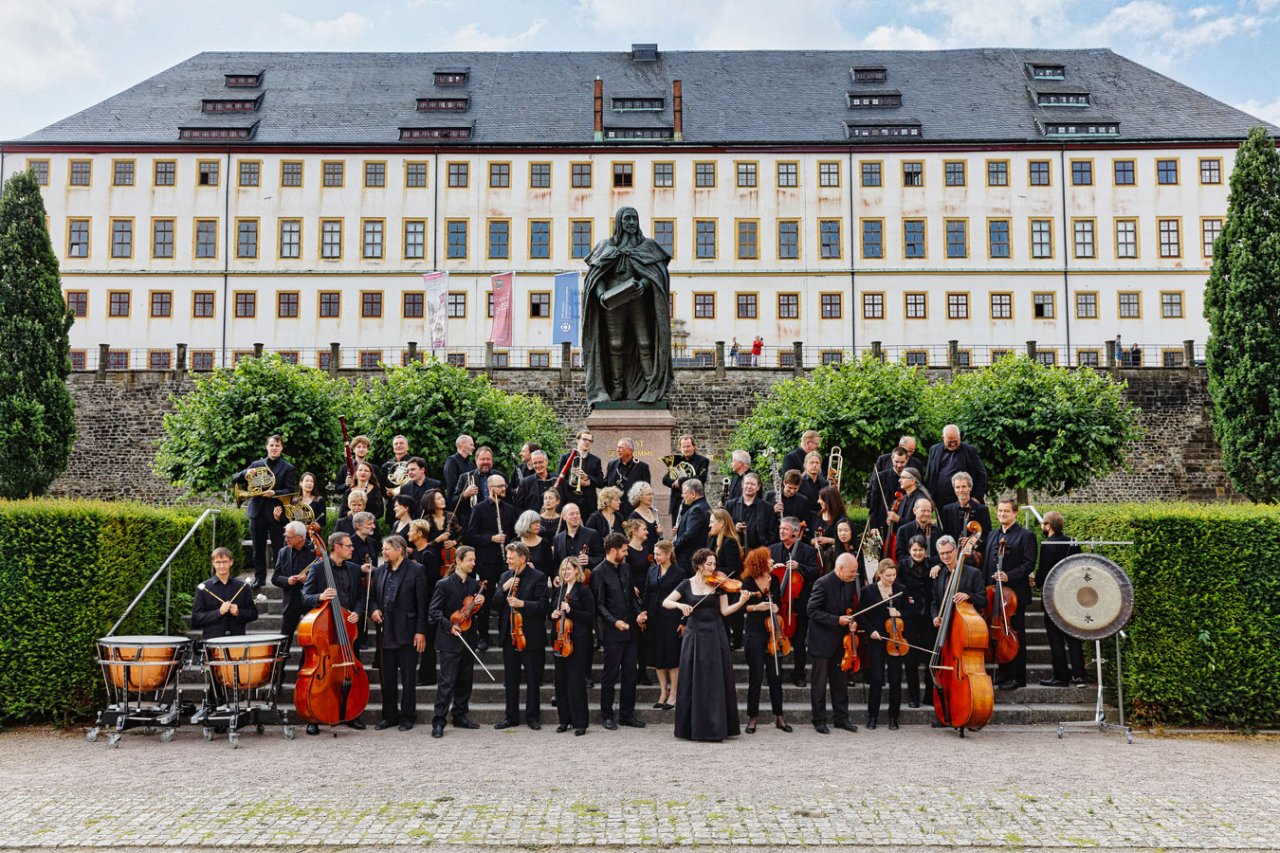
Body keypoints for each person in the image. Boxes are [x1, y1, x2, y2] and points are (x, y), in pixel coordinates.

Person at [581, 206, 674, 405]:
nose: (631, 223)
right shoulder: (606, 246)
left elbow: (656, 273)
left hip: (637, 299)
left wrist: (644, 283)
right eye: (627, 219)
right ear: (619, 222)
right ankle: (616, 387)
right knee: (615, 344)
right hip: (613, 301)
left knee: (645, 342)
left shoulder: (647, 246)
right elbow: (596, 276)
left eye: (634, 219)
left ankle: (651, 386)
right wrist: (601, 295)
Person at [664, 548, 749, 741]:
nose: (713, 568)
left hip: (715, 634)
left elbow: (725, 611)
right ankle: (691, 728)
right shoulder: (686, 585)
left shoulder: (718, 585)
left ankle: (717, 726)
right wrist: (680, 605)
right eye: (709, 564)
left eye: (714, 564)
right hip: (694, 636)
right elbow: (666, 602)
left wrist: (742, 601)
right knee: (692, 680)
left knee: (715, 680)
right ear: (699, 565)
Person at [300, 531, 369, 734]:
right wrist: (319, 596)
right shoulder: (318, 568)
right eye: (348, 546)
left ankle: (351, 713)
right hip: (324, 629)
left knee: (349, 668)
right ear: (336, 547)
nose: (352, 548)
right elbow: (304, 597)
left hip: (348, 629)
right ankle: (314, 716)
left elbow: (360, 596)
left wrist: (357, 612)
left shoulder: (355, 569)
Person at [369, 535, 428, 731]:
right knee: (387, 679)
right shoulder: (379, 571)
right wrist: (374, 609)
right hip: (385, 632)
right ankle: (389, 716)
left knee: (409, 677)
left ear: (400, 550)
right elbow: (373, 598)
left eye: (387, 549)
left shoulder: (416, 570)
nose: (383, 553)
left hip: (408, 631)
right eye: (383, 549)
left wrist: (421, 631)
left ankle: (407, 716)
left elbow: (422, 604)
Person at [427, 545, 484, 737]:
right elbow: (433, 612)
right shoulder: (443, 584)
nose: (473, 563)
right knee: (447, 682)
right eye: (470, 560)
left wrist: (480, 605)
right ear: (458, 561)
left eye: (474, 560)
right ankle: (439, 721)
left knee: (465, 681)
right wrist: (449, 625)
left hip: (468, 637)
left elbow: (473, 612)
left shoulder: (474, 586)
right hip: (449, 640)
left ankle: (460, 715)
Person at [592, 532, 647, 730]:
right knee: (610, 674)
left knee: (631, 674)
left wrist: (639, 613)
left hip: (630, 630)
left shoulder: (626, 568)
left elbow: (632, 597)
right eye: (624, 550)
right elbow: (599, 605)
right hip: (612, 632)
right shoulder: (598, 572)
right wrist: (614, 622)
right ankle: (607, 714)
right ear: (613, 550)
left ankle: (627, 714)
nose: (627, 553)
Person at [233, 434, 298, 590]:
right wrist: (246, 474)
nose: (274, 448)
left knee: (278, 547)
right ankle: (259, 579)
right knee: (258, 549)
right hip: (257, 511)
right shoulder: (257, 464)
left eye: (277, 445)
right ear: (267, 447)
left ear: (281, 448)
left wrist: (274, 493)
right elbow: (235, 478)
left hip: (276, 513)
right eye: (271, 445)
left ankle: (278, 578)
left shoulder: (288, 467)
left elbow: (290, 490)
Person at [494, 542, 548, 730]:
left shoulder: (538, 577)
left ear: (523, 558)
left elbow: (543, 606)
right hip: (510, 635)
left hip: (530, 635)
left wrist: (522, 603)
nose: (508, 560)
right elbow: (495, 604)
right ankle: (511, 716)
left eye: (511, 557)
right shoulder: (504, 576)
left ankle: (533, 717)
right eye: (507, 557)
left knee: (533, 678)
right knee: (511, 679)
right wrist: (503, 588)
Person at [806, 552, 861, 734]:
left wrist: (851, 621)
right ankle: (819, 720)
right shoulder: (822, 584)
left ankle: (841, 718)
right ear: (840, 568)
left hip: (840, 642)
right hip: (821, 642)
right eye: (852, 571)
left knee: (840, 683)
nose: (854, 575)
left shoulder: (849, 583)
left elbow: (848, 609)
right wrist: (837, 620)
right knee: (819, 684)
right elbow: (812, 610)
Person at [463, 473, 519, 650]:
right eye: (500, 486)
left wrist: (509, 542)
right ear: (490, 489)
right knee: (486, 600)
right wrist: (491, 538)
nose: (504, 489)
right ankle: (483, 636)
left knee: (506, 598)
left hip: (506, 561)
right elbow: (470, 535)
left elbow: (515, 534)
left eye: (504, 486)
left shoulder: (510, 509)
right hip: (486, 561)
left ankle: (505, 635)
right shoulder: (479, 509)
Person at [740, 546, 792, 734]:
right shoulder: (747, 582)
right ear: (760, 562)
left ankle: (779, 716)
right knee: (756, 676)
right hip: (754, 632)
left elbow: (777, 603)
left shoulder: (775, 580)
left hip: (774, 632)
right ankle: (752, 718)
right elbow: (742, 608)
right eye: (768, 559)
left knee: (776, 677)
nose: (772, 562)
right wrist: (758, 607)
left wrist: (774, 607)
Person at [989, 498, 1037, 690]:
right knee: (1000, 634)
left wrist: (1008, 576)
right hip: (996, 593)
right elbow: (987, 563)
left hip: (1015, 596)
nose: (1002, 514)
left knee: (1016, 635)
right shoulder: (993, 535)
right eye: (1000, 511)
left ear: (1015, 513)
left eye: (1006, 511)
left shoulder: (1026, 536)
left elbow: (1029, 564)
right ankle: (1003, 673)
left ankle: (1018, 677)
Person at [1037, 511, 1088, 687]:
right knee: (1073, 636)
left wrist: (1036, 582)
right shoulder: (1072, 542)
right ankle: (1079, 674)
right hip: (1072, 596)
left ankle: (1061, 676)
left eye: (1043, 524)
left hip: (1053, 597)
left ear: (1048, 526)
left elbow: (1044, 573)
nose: (1042, 527)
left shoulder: (1047, 545)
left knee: (1056, 638)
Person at [770, 516, 819, 687]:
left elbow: (815, 572)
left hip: (798, 605)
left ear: (796, 532)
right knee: (775, 638)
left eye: (785, 529)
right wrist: (771, 568)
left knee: (799, 643)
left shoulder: (808, 551)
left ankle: (799, 674)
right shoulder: (772, 550)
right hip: (777, 604)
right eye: (781, 528)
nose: (781, 531)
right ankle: (774, 673)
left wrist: (800, 567)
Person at [549, 558, 595, 735]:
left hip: (577, 640)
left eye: (568, 568)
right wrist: (552, 614)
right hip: (560, 640)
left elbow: (590, 616)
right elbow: (550, 614)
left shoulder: (584, 591)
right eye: (563, 569)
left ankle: (580, 722)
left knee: (576, 681)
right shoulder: (559, 590)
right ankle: (564, 720)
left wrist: (571, 610)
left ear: (577, 570)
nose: (565, 571)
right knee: (560, 682)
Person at [862, 559, 906, 730]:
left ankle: (894, 717)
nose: (892, 579)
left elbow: (911, 612)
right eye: (888, 575)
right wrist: (871, 630)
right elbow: (863, 615)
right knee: (877, 678)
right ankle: (872, 716)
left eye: (894, 575)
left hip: (896, 639)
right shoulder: (868, 591)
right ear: (879, 574)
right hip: (877, 639)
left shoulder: (901, 590)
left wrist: (900, 612)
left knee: (895, 679)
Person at [896, 535, 935, 709]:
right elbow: (896, 586)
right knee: (910, 659)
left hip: (928, 616)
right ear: (909, 551)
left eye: (920, 550)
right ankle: (914, 697)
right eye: (914, 550)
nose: (917, 553)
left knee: (930, 658)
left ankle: (929, 695)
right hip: (910, 617)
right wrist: (906, 598)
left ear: (925, 551)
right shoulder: (903, 565)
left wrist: (939, 567)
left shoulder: (933, 564)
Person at [644, 540, 683, 711]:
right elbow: (647, 592)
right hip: (654, 617)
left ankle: (674, 693)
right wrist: (643, 613)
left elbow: (685, 597)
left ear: (668, 554)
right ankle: (663, 692)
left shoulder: (679, 573)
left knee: (671, 656)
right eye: (655, 554)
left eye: (659, 554)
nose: (656, 557)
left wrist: (683, 621)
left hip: (672, 618)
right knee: (658, 657)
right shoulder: (652, 570)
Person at [191, 547, 259, 639]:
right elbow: (195, 620)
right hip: (213, 641)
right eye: (218, 562)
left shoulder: (243, 586)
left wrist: (238, 612)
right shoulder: (204, 588)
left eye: (225, 562)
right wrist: (218, 612)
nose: (222, 566)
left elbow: (253, 614)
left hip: (237, 639)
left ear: (231, 562)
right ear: (213, 563)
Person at [272, 521, 315, 656]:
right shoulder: (283, 552)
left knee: (310, 638)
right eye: (285, 536)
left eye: (289, 537)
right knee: (285, 638)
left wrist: (308, 579)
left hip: (310, 600)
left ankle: (307, 668)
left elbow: (326, 576)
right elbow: (275, 578)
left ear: (301, 538)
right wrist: (287, 580)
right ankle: (280, 673)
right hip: (291, 601)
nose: (285, 539)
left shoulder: (316, 550)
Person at [407, 518, 440, 685]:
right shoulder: (417, 552)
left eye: (411, 531)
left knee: (428, 643)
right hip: (419, 602)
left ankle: (427, 676)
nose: (408, 534)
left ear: (420, 534)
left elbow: (433, 582)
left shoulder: (429, 553)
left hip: (428, 603)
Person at [925, 425, 988, 511]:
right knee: (944, 524)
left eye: (955, 441)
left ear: (959, 436)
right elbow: (930, 475)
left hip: (965, 501)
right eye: (950, 441)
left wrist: (976, 497)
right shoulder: (934, 449)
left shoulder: (970, 451)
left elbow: (982, 474)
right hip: (941, 501)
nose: (953, 444)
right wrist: (929, 497)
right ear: (943, 438)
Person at [930, 535, 986, 628]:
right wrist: (935, 616)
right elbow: (935, 602)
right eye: (942, 553)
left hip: (967, 626)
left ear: (956, 551)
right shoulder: (939, 574)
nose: (945, 556)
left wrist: (968, 596)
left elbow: (983, 600)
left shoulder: (974, 573)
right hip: (945, 625)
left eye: (948, 552)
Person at [940, 471, 992, 570]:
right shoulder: (947, 510)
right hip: (953, 555)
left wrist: (973, 544)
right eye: (957, 487)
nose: (961, 490)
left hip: (973, 556)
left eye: (964, 486)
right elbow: (945, 534)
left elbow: (987, 534)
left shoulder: (981, 510)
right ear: (954, 489)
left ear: (970, 488)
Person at [708, 508, 745, 647]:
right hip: (717, 584)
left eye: (712, 522)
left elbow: (734, 568)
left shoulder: (729, 542)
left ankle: (733, 640)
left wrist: (714, 571)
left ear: (722, 523)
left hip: (729, 586)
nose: (709, 525)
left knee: (729, 616)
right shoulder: (712, 538)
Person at [557, 431, 605, 516]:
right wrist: (574, 483)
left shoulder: (596, 460)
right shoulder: (566, 458)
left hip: (589, 503)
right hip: (570, 500)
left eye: (590, 441)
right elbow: (560, 480)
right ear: (577, 440)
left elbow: (601, 482)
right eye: (584, 439)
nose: (587, 442)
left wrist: (588, 478)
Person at [662, 434, 709, 519]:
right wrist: (674, 483)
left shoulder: (703, 461)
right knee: (677, 531)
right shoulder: (676, 461)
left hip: (694, 502)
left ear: (694, 446)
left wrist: (680, 480)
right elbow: (665, 479)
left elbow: (701, 478)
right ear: (680, 448)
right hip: (677, 502)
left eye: (688, 446)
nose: (686, 449)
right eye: (683, 447)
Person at [726, 471, 775, 550]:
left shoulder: (767, 508)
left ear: (758, 487)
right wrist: (734, 529)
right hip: (736, 551)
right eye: (747, 483)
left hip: (759, 552)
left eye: (752, 484)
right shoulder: (730, 505)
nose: (749, 486)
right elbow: (724, 528)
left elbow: (772, 533)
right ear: (742, 485)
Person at [672, 479, 711, 575]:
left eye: (684, 493)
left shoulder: (696, 509)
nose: (682, 496)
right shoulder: (703, 506)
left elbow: (690, 535)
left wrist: (673, 545)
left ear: (693, 494)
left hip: (689, 560)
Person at [606, 438, 651, 518]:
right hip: (614, 510)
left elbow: (646, 489)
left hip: (633, 510)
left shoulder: (642, 467)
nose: (618, 450)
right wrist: (589, 479)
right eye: (617, 447)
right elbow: (605, 483)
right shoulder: (611, 465)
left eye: (621, 448)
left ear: (630, 451)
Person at [552, 503, 603, 573]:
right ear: (564, 517)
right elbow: (556, 563)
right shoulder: (557, 538)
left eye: (577, 513)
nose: (575, 516)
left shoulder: (592, 534)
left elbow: (601, 557)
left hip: (587, 579)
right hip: (566, 580)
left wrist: (589, 560)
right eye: (571, 514)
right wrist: (556, 576)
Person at [334, 433, 375, 511]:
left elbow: (376, 488)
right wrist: (346, 485)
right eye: (358, 447)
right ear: (353, 449)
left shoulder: (374, 468)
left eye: (364, 447)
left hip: (367, 507)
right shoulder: (344, 468)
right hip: (348, 508)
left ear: (367, 450)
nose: (361, 449)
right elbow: (337, 489)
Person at [894, 497, 940, 564]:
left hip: (932, 570)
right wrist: (917, 561)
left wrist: (937, 565)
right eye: (923, 511)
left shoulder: (936, 530)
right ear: (914, 510)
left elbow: (939, 554)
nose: (926, 514)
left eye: (929, 511)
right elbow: (900, 556)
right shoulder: (903, 530)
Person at [812, 485, 849, 564]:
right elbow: (808, 537)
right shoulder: (816, 516)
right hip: (815, 558)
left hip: (835, 558)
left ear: (828, 501)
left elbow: (848, 541)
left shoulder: (842, 520)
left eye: (820, 499)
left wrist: (828, 540)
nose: (818, 501)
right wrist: (814, 541)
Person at [626, 481, 662, 557]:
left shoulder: (653, 511)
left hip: (655, 552)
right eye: (648, 494)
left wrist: (659, 532)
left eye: (652, 494)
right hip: (642, 554)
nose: (651, 497)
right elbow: (631, 538)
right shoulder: (634, 516)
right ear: (639, 496)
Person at [515, 509, 555, 576]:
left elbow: (549, 569)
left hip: (538, 583)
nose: (538, 525)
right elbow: (508, 565)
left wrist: (534, 569)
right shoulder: (515, 542)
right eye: (534, 522)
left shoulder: (545, 544)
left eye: (539, 522)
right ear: (525, 523)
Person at [516, 450, 555, 514]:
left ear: (547, 461)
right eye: (535, 463)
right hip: (534, 522)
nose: (537, 465)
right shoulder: (525, 482)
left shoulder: (556, 479)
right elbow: (518, 507)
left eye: (540, 462)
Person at [442, 434, 477, 504]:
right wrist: (465, 493)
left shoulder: (471, 464)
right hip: (456, 503)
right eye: (471, 445)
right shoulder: (451, 461)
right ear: (462, 445)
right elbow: (452, 485)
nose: (473, 448)